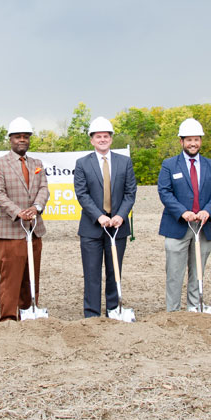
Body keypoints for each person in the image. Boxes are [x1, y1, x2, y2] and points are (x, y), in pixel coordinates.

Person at [156, 118, 211, 312]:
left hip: (203, 226)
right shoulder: (169, 165)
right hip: (177, 225)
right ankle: (173, 310)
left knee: (198, 271)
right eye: (189, 140)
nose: (193, 143)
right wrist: (182, 212)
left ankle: (195, 306)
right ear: (181, 142)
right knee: (174, 272)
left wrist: (207, 211)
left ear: (201, 141)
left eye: (196, 139)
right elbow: (164, 191)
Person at [74, 116, 137, 318]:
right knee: (92, 273)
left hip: (117, 226)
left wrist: (120, 215)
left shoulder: (124, 162)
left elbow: (130, 192)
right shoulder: (82, 164)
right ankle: (92, 314)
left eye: (106, 136)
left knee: (114, 271)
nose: (102, 139)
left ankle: (113, 309)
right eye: (98, 136)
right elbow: (81, 194)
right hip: (92, 228)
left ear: (111, 138)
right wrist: (99, 216)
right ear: (92, 140)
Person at [0, 117, 50, 321]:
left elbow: (43, 189)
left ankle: (29, 311)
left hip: (34, 228)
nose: (22, 140)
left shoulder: (37, 163)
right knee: (11, 277)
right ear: (11, 139)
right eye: (18, 137)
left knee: (31, 275)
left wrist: (36, 207)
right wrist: (18, 212)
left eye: (25, 137)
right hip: (11, 229)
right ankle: (8, 317)